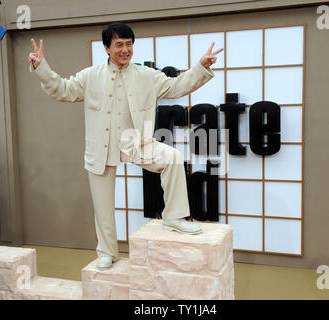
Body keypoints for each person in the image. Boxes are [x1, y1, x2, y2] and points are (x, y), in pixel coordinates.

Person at [29, 22, 223, 269]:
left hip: (137, 142)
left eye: (129, 44)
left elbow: (177, 86)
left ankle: (174, 216)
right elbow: (62, 89)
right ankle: (107, 251)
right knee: (103, 207)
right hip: (101, 147)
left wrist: (200, 67)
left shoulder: (147, 76)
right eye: (119, 45)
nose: (125, 50)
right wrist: (40, 67)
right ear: (107, 48)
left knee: (172, 158)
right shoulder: (90, 76)